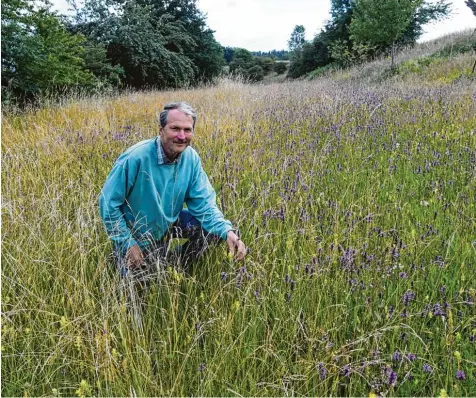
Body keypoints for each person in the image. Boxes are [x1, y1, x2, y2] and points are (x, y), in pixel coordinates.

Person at [99, 102, 246, 281]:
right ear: (160, 130)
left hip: (168, 224)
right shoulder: (135, 158)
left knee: (215, 231)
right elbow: (108, 204)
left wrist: (227, 231)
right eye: (175, 128)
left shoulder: (191, 158)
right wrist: (127, 243)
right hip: (136, 235)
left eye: (187, 130)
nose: (181, 136)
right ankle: (141, 261)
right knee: (134, 292)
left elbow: (204, 204)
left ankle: (173, 263)